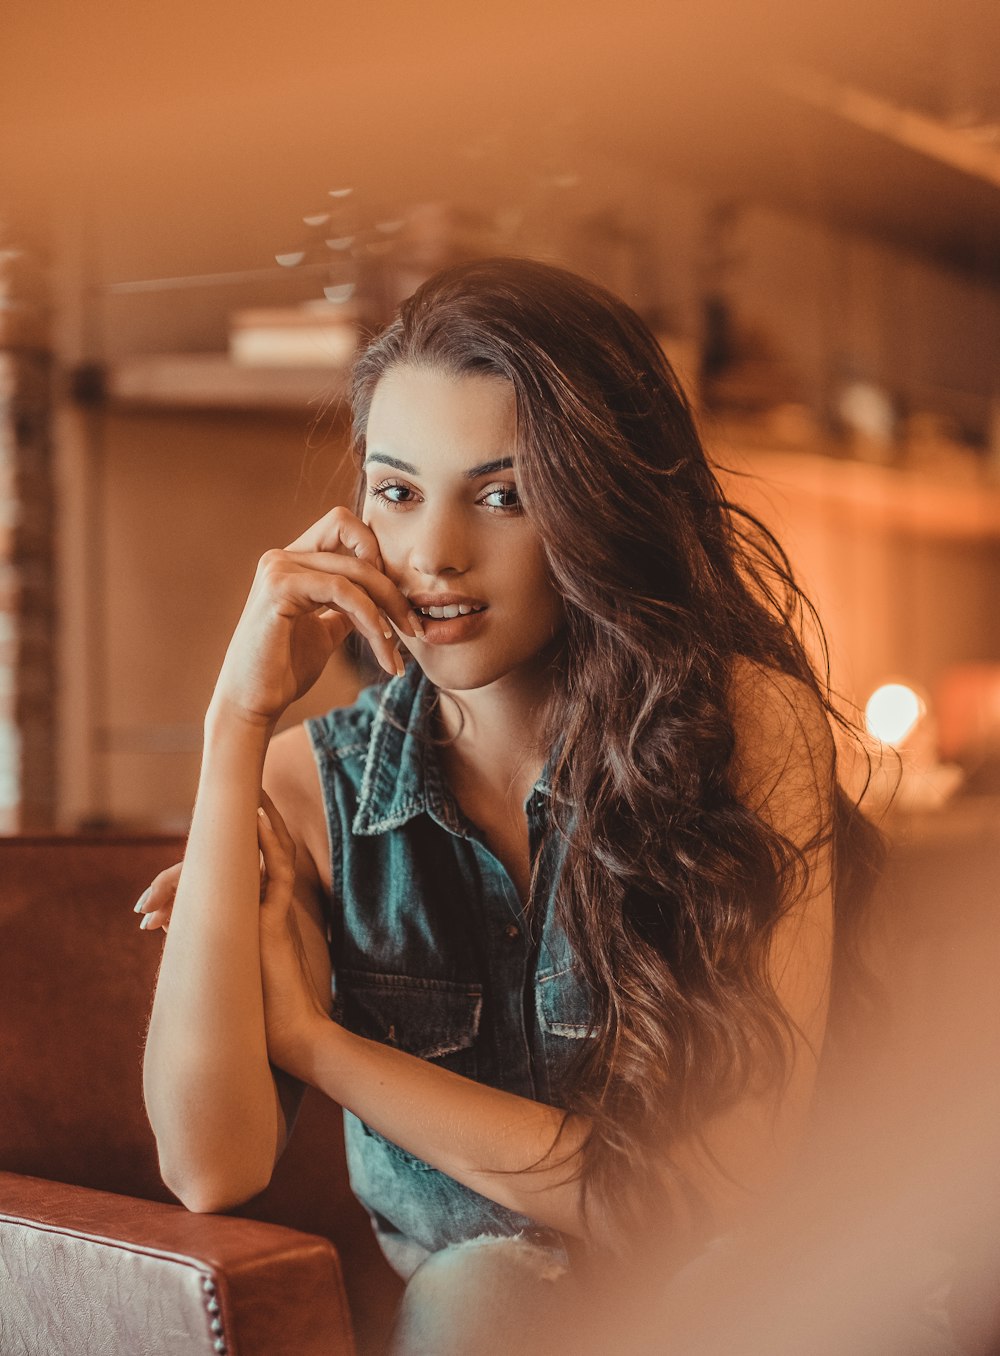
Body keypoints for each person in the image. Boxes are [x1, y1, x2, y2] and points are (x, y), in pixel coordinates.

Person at [139, 257, 881, 1354]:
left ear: (598, 505)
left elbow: (706, 1195)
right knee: (479, 1292)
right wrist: (231, 726)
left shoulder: (746, 731)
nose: (434, 553)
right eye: (397, 492)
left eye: (502, 495)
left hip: (754, 1303)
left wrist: (315, 1042)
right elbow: (209, 1167)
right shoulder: (310, 783)